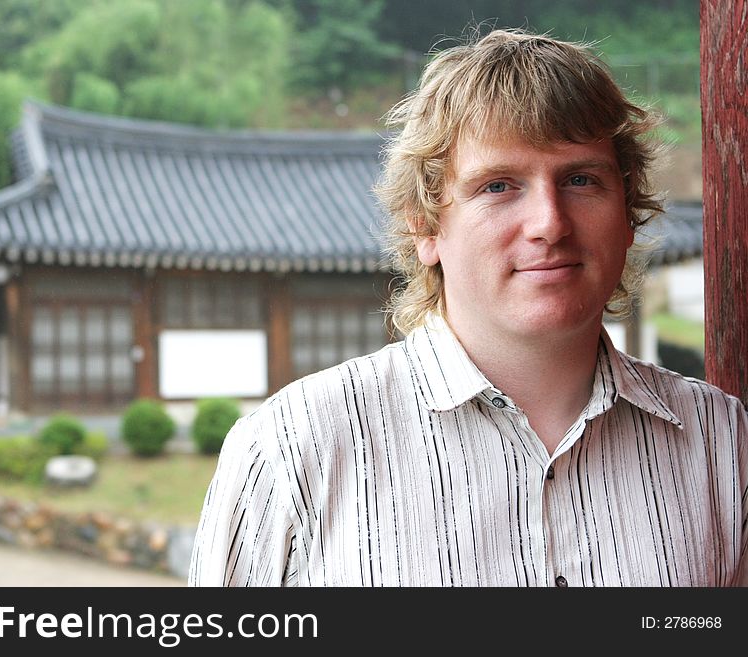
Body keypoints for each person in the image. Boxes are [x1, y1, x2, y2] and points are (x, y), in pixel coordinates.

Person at [189, 29, 747, 587]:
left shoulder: (722, 444)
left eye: (581, 179)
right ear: (425, 225)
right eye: (499, 186)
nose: (549, 223)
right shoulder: (293, 449)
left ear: (628, 214)